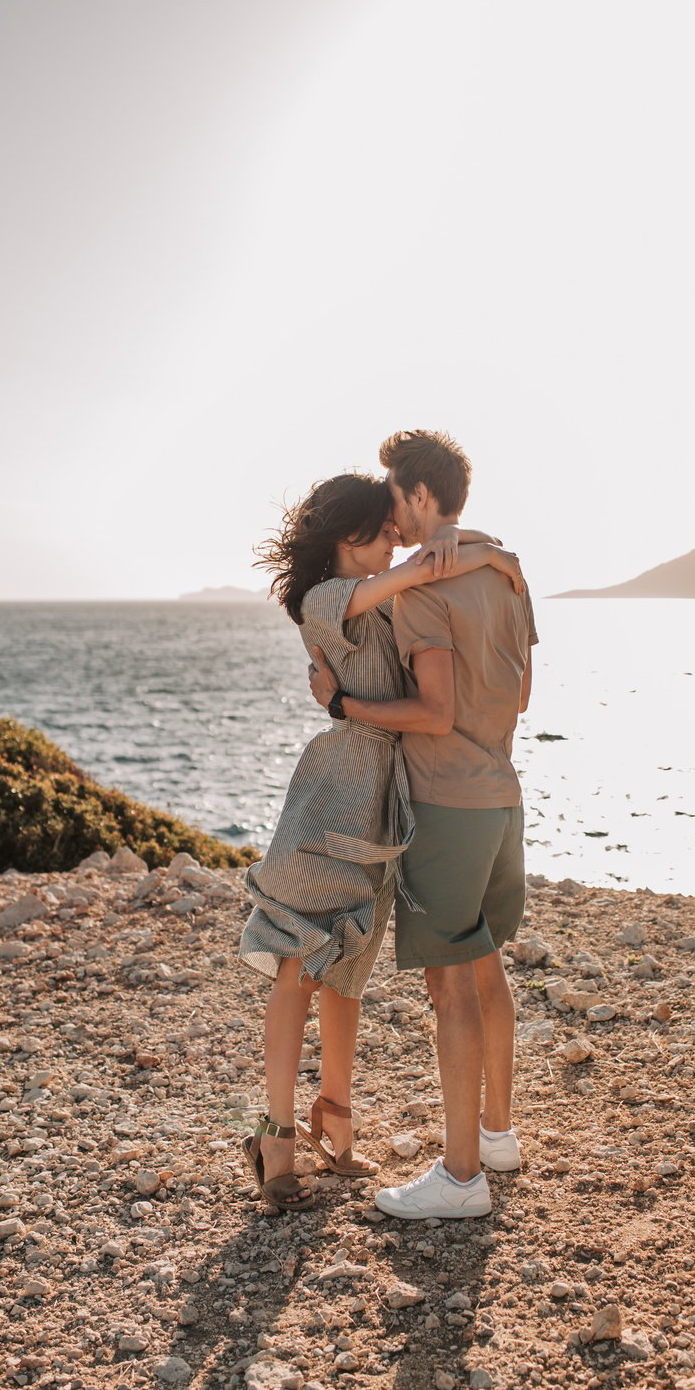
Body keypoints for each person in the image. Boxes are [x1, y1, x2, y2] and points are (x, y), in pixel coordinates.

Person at [239, 472, 524, 1211]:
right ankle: (274, 1139)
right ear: (345, 536)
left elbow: (422, 576)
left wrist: (491, 562)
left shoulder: (386, 597)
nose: (395, 539)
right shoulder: (322, 599)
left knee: (348, 965)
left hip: (385, 800)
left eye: (396, 528)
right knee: (299, 957)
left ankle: (335, 1120)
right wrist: (499, 560)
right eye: (381, 529)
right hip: (336, 789)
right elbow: (426, 565)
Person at [309, 431, 536, 1219]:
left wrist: (348, 707)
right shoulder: (507, 572)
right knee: (483, 962)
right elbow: (523, 694)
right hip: (501, 793)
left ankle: (461, 1175)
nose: (392, 521)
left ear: (416, 492)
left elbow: (432, 712)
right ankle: (498, 1135)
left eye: (393, 498)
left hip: (446, 800)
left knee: (450, 984)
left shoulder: (417, 592)